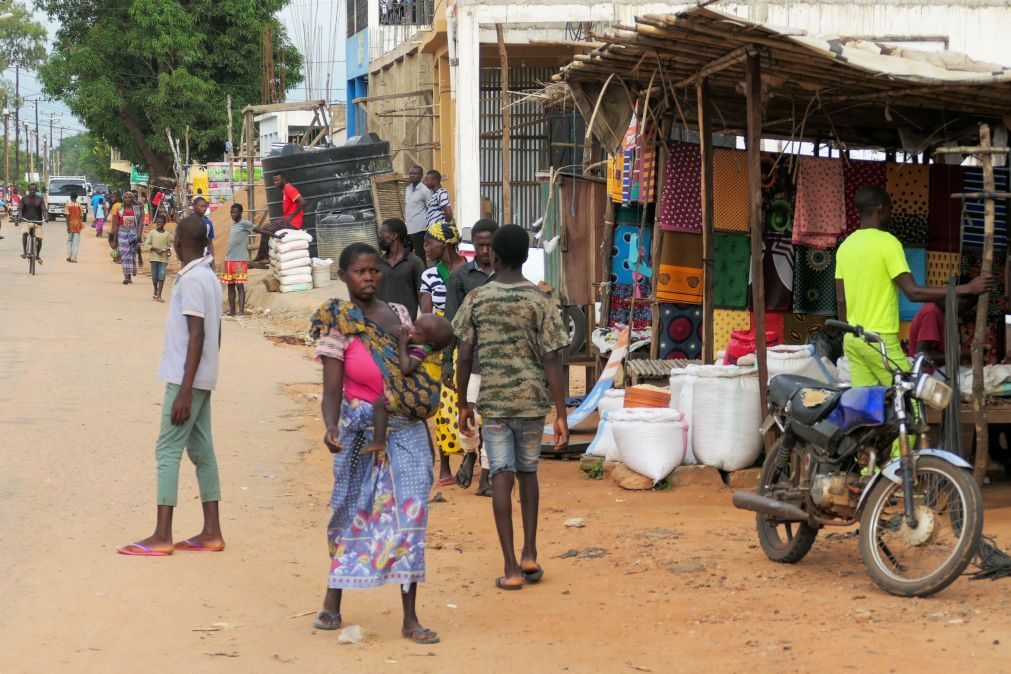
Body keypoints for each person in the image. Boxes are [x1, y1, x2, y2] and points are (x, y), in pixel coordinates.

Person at [308, 242, 439, 644]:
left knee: (411, 515)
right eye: (359, 272)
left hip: (407, 429)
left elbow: (416, 359)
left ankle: (410, 617)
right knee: (350, 511)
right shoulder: (339, 323)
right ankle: (333, 599)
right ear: (344, 276)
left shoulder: (399, 315)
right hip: (360, 431)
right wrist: (331, 427)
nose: (368, 278)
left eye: (373, 271)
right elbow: (332, 388)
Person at [453, 224, 570, 590]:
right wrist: (561, 412)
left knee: (500, 476)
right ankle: (530, 552)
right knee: (528, 473)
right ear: (525, 257)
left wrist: (462, 404)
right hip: (533, 403)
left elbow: (464, 356)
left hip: (495, 403)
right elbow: (553, 359)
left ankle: (511, 568)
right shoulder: (541, 301)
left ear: (495, 257)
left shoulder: (477, 299)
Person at [117, 216, 224, 557]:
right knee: (202, 451)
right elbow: (213, 335)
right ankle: (212, 531)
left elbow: (197, 335)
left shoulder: (193, 281)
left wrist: (183, 391)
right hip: (202, 377)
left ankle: (162, 534)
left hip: (185, 380)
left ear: (177, 242)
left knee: (167, 450)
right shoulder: (208, 277)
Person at [835, 185, 991, 387]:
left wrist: (849, 331)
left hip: (853, 339)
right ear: (881, 208)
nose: (891, 214)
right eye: (890, 208)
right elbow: (913, 292)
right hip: (879, 339)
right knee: (912, 396)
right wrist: (967, 289)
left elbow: (841, 299)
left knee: (869, 406)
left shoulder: (845, 246)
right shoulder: (888, 243)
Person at [444, 219, 498, 494]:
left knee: (494, 422)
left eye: (490, 244)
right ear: (473, 245)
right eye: (480, 245)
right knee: (468, 417)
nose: (485, 250)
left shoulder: (507, 275)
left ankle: (486, 476)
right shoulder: (459, 277)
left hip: (500, 363)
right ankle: (471, 454)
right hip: (470, 361)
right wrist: (446, 361)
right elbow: (451, 321)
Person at [419, 222, 469, 486]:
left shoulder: (471, 271)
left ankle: (471, 458)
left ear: (446, 244)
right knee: (442, 407)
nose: (426, 247)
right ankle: (446, 465)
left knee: (469, 402)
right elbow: (427, 315)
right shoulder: (429, 275)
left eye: (430, 243)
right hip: (440, 343)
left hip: (468, 342)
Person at [364, 313, 454, 457]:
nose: (411, 331)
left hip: (415, 400)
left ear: (430, 343)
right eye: (413, 325)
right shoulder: (422, 343)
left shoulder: (422, 349)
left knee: (380, 403)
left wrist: (402, 343)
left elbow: (406, 369)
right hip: (420, 403)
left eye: (416, 331)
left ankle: (379, 440)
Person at [376, 218, 425, 320]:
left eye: (382, 235)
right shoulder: (378, 263)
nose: (379, 238)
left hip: (406, 326)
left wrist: (425, 323)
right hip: (381, 325)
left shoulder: (415, 262)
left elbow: (421, 296)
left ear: (394, 236)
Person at [253, 173, 305, 264]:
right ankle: (262, 256)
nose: (275, 182)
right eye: (274, 181)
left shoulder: (289, 189)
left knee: (265, 229)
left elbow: (303, 202)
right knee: (266, 227)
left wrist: (292, 216)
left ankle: (263, 257)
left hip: (292, 222)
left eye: (278, 180)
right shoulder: (285, 190)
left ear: (283, 180)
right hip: (288, 220)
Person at [219, 203, 255, 316]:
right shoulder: (234, 224)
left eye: (235, 212)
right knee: (230, 286)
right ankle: (232, 311)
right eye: (231, 212)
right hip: (228, 260)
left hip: (239, 260)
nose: (233, 214)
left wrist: (276, 236)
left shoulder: (245, 224)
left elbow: (260, 230)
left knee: (239, 286)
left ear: (241, 212)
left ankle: (241, 311)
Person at [109, 191, 145, 284]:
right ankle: (126, 276)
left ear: (132, 198)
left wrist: (139, 234)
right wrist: (115, 238)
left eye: (129, 197)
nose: (127, 199)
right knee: (124, 255)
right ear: (123, 199)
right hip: (122, 232)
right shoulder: (120, 209)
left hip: (133, 232)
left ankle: (130, 274)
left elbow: (141, 222)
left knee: (132, 253)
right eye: (125, 197)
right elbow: (116, 224)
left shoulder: (137, 208)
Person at [404, 165, 433, 255]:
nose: (412, 175)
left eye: (415, 174)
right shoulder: (408, 189)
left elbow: (430, 208)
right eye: (411, 173)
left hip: (419, 229)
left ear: (421, 176)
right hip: (408, 227)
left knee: (420, 254)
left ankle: (422, 269)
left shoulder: (425, 191)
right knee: (407, 254)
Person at [145, 214, 172, 302]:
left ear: (164, 223)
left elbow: (169, 246)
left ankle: (159, 295)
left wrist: (168, 251)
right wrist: (156, 249)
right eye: (158, 222)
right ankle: (155, 289)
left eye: (161, 222)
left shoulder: (167, 234)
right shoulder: (152, 232)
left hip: (163, 259)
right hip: (154, 258)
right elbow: (147, 244)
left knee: (161, 276)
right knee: (154, 277)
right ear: (156, 222)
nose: (159, 223)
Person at [18, 183, 47, 264]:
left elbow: (44, 209)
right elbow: (20, 208)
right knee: (24, 233)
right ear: (28, 190)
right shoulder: (24, 199)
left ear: (36, 190)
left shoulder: (40, 199)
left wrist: (46, 217)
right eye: (31, 190)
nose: (32, 191)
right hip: (26, 221)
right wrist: (20, 216)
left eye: (34, 190)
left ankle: (37, 255)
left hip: (38, 221)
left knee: (39, 239)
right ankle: (24, 252)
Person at [65, 192, 84, 263]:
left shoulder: (68, 205)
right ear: (77, 197)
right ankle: (74, 258)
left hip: (70, 224)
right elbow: (81, 216)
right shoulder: (79, 205)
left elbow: (67, 216)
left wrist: (67, 226)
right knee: (76, 242)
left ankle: (69, 256)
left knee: (69, 240)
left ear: (70, 197)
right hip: (77, 225)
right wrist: (79, 223)